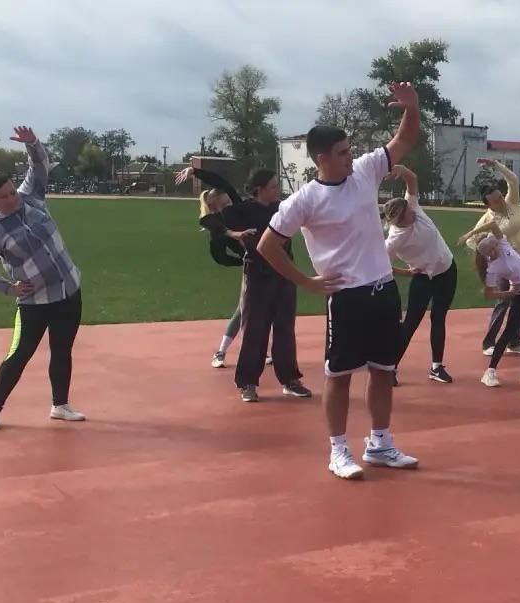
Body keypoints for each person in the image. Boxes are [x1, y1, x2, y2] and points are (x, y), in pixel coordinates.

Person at [255, 82, 422, 481]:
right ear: (322, 158)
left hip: (383, 288)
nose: (351, 156)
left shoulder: (365, 171)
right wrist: (308, 282)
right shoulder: (304, 200)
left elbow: (404, 140)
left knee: (383, 370)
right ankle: (338, 450)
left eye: (350, 150)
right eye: (343, 152)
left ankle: (379, 444)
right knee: (339, 375)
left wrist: (412, 107)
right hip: (346, 297)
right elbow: (267, 246)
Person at [0, 126, 85, 431]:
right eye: (3, 196)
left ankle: (60, 405)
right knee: (19, 355)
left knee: (62, 351)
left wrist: (32, 143)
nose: (11, 199)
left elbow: (39, 165)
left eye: (12, 192)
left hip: (69, 293)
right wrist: (9, 289)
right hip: (34, 303)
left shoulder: (31, 198)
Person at [190, 166, 311, 403]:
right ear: (259, 189)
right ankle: (247, 383)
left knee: (285, 329)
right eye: (273, 186)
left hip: (284, 273)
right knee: (255, 330)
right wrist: (232, 234)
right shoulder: (242, 210)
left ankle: (290, 380)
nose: (277, 190)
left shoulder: (282, 208)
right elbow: (207, 219)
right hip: (257, 275)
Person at [380, 164, 457, 385]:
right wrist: (406, 272)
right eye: (408, 214)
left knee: (439, 318)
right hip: (423, 278)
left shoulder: (412, 206)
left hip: (446, 270)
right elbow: (381, 266)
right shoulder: (394, 240)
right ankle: (390, 368)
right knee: (411, 322)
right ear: (399, 221)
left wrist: (400, 169)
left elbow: (412, 179)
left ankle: (436, 367)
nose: (413, 212)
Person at [178, 169, 257, 369]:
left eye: (229, 201)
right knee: (244, 308)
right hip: (253, 265)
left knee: (270, 307)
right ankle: (221, 351)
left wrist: (195, 171)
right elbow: (219, 257)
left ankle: (263, 350)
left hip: (270, 260)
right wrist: (242, 261)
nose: (229, 205)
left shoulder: (237, 208)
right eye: (224, 205)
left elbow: (222, 182)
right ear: (214, 208)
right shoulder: (216, 227)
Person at [461, 158, 520, 356]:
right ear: (488, 205)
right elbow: (471, 240)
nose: (501, 201)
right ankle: (488, 342)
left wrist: (495, 164)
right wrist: (489, 253)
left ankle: (514, 340)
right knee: (503, 301)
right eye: (495, 201)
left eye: (500, 197)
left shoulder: (512, 203)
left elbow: (513, 179)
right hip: (506, 263)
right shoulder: (487, 220)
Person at [468, 229, 520, 387]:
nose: (494, 251)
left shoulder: (502, 244)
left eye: (494, 247)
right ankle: (489, 372)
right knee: (509, 331)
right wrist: (508, 293)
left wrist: (471, 233)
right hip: (519, 294)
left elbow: (493, 225)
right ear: (486, 254)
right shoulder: (492, 268)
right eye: (490, 251)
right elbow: (488, 294)